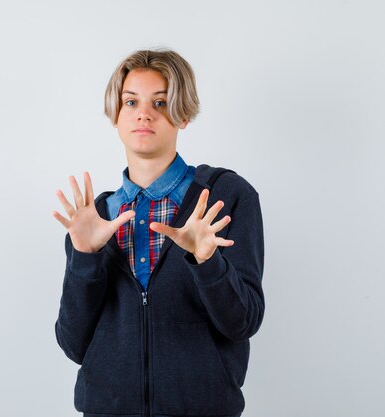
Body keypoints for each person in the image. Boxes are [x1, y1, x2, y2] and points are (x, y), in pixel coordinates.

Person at [52, 48, 265, 417]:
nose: (143, 114)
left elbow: (243, 322)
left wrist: (207, 261)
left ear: (182, 115)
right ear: (115, 115)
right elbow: (73, 344)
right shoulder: (95, 217)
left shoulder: (225, 198)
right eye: (131, 101)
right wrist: (84, 258)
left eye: (161, 102)